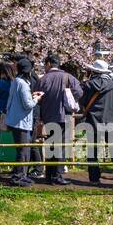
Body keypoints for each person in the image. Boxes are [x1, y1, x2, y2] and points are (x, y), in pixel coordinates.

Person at [80, 58, 113, 189]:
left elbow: (82, 102)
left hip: (93, 121)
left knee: (92, 151)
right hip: (112, 121)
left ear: (93, 71)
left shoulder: (88, 85)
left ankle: (94, 179)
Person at [36, 54, 81, 184]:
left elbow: (36, 96)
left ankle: (49, 174)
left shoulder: (43, 79)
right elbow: (79, 92)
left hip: (48, 116)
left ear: (49, 63)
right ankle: (58, 175)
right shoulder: (67, 77)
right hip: (64, 116)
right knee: (60, 146)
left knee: (50, 145)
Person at [3, 57, 42, 186]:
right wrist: (37, 98)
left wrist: (31, 95)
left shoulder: (15, 81)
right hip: (21, 122)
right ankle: (18, 177)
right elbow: (27, 105)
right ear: (28, 71)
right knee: (23, 150)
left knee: (22, 149)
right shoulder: (24, 84)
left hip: (14, 120)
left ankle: (22, 175)